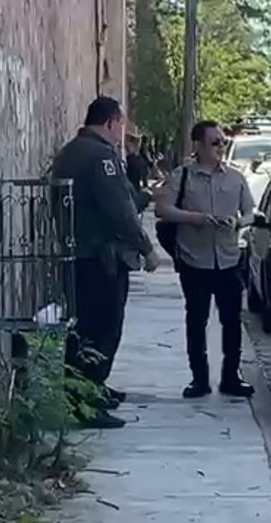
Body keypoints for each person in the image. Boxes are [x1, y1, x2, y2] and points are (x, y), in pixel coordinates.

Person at [52, 96, 161, 429]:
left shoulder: (72, 151)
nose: (120, 134)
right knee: (102, 329)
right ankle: (85, 402)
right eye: (120, 126)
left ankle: (90, 391)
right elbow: (118, 209)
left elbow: (122, 198)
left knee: (84, 328)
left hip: (80, 254)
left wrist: (144, 197)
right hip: (101, 258)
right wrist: (146, 247)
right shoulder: (100, 156)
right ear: (111, 122)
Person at [156, 120, 256, 399]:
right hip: (194, 261)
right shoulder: (182, 176)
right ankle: (199, 379)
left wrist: (238, 222)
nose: (221, 147)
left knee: (232, 322)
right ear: (198, 146)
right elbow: (163, 209)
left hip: (228, 260)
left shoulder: (235, 177)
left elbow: (251, 212)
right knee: (196, 321)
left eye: (223, 142)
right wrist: (195, 218)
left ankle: (231, 377)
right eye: (215, 142)